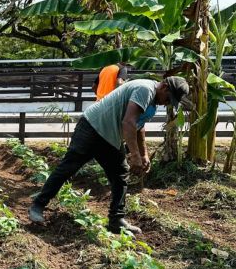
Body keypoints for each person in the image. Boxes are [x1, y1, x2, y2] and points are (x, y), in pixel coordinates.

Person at [28, 76, 192, 236]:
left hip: (110, 137)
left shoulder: (152, 101)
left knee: (120, 174)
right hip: (92, 127)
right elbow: (128, 122)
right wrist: (134, 155)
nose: (167, 103)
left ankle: (116, 220)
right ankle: (38, 205)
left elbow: (138, 126)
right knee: (68, 168)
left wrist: (144, 154)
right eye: (169, 99)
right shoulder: (145, 89)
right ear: (164, 87)